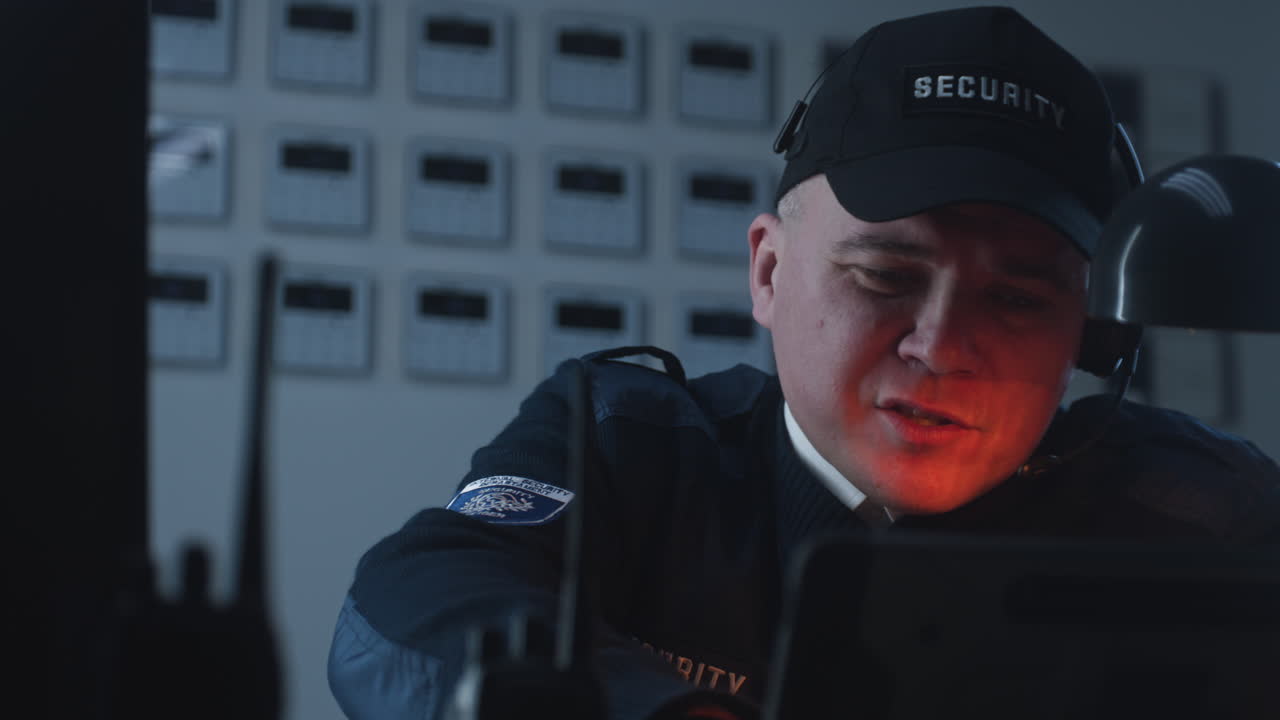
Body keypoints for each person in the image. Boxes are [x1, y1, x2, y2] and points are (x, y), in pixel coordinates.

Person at [328, 7, 1280, 720]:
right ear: (769, 272)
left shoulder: (1200, 512)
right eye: (886, 277)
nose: (941, 346)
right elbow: (410, 604)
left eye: (1019, 300)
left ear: (1095, 333)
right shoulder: (626, 442)